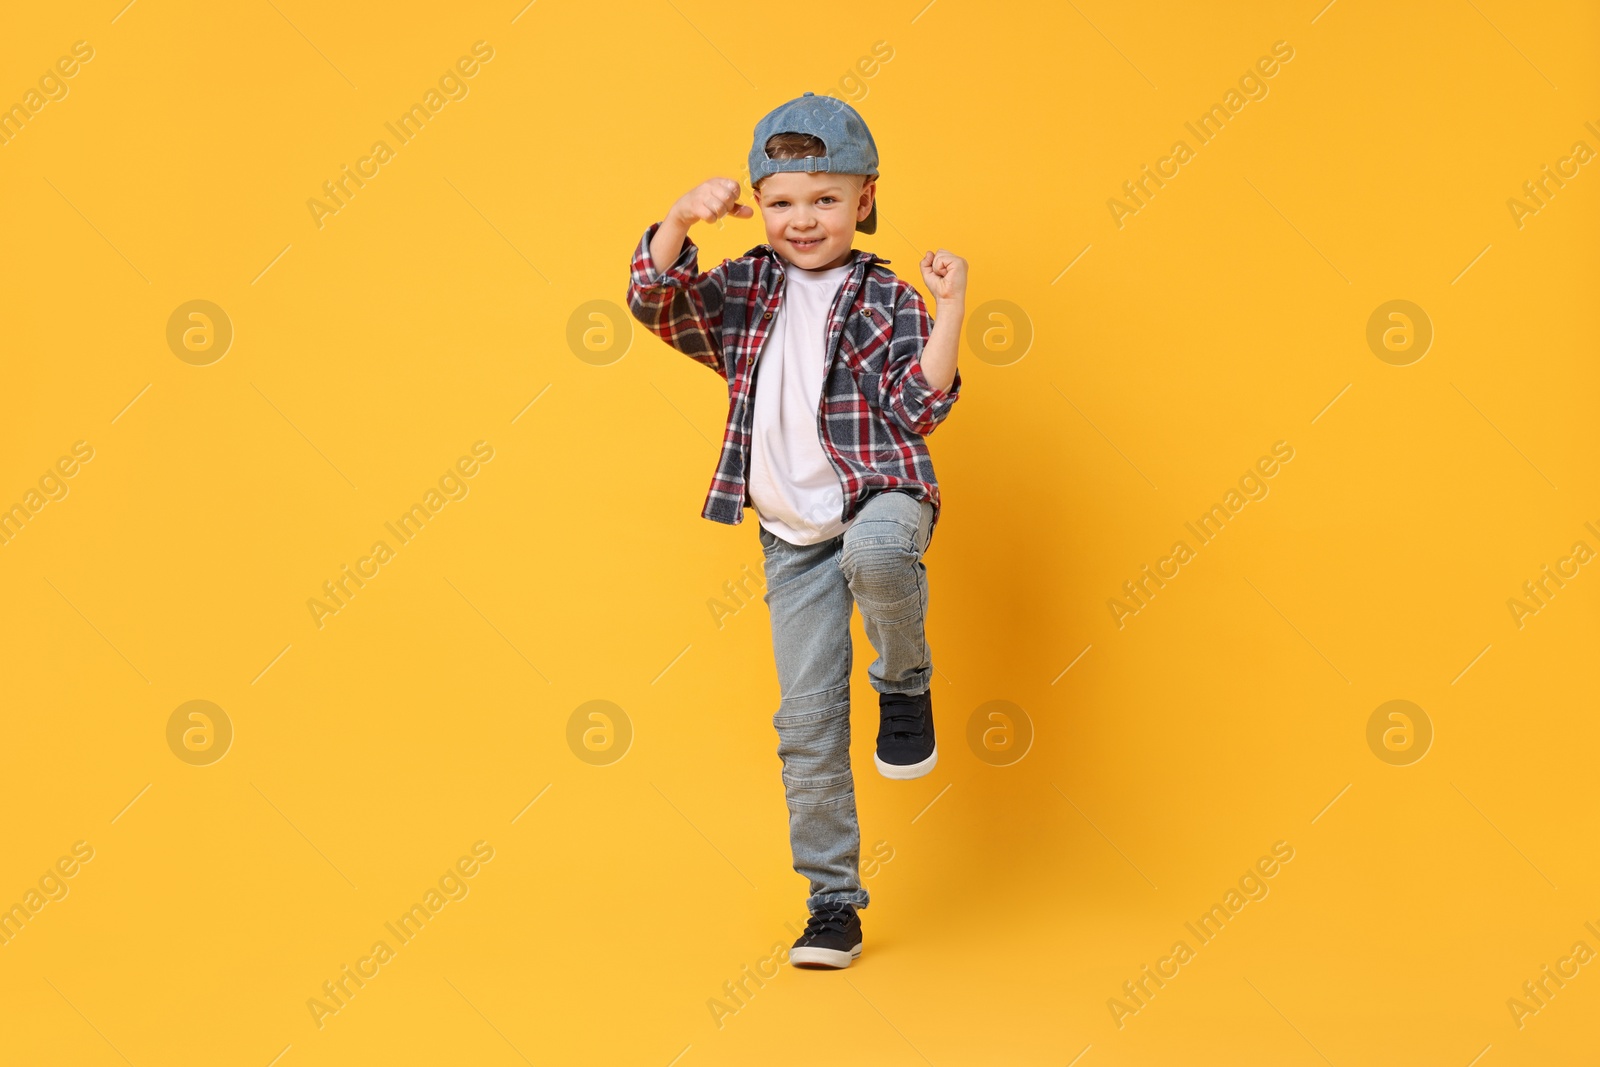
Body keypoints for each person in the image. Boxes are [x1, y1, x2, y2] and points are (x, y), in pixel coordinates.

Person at [625, 91, 966, 970]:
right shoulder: (743, 287)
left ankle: (905, 681)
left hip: (878, 491)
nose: (802, 219)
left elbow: (919, 406)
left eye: (824, 198)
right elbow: (655, 301)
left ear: (865, 198)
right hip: (791, 534)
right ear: (757, 204)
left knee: (881, 551)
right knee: (806, 723)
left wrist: (951, 306)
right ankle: (831, 906)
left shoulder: (884, 292)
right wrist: (676, 218)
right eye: (780, 200)